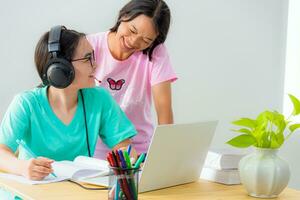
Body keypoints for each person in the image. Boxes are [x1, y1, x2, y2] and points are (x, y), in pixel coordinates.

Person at [0, 26, 137, 186]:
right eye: (87, 58)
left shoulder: (100, 98)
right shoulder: (26, 103)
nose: (96, 65)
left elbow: (123, 147)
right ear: (60, 68)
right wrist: (23, 167)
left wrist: (126, 160)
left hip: (76, 192)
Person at [87, 0, 177, 160]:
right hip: (92, 154)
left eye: (146, 40)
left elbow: (164, 111)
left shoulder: (155, 53)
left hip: (139, 154)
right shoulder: (89, 46)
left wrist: (165, 156)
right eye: (132, 30)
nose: (134, 42)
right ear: (124, 16)